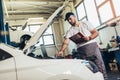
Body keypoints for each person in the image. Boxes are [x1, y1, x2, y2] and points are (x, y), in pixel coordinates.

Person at [56, 12, 107, 80]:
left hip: (92, 47)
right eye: (68, 20)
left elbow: (96, 32)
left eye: (70, 19)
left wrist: (89, 37)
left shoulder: (85, 23)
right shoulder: (70, 30)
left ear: (74, 16)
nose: (69, 21)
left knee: (100, 66)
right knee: (87, 70)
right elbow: (66, 42)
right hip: (82, 51)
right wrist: (61, 51)